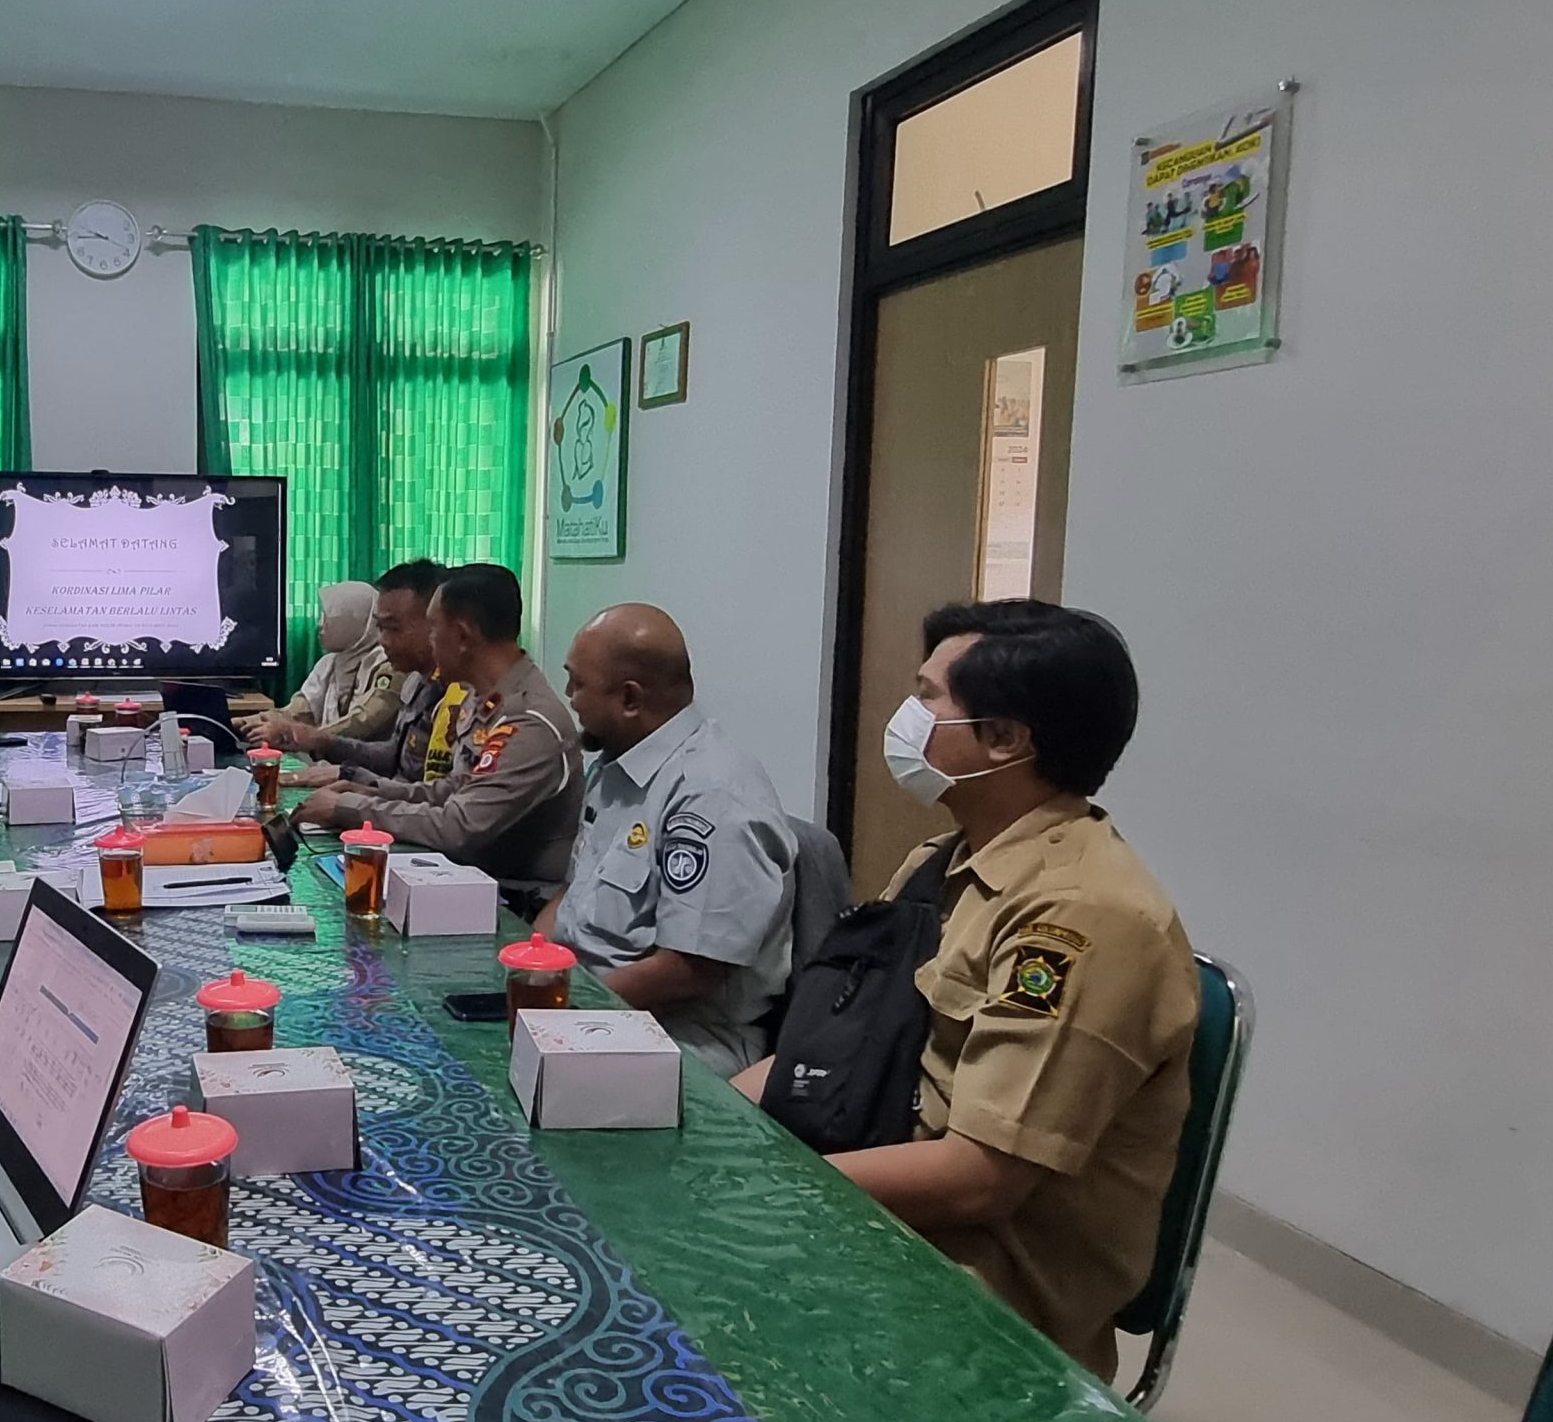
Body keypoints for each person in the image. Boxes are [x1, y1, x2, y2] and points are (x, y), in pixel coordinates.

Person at [735, 599, 1197, 1375]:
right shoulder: (940, 862)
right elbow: (836, 1048)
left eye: (929, 698)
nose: (908, 716)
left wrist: (758, 1188)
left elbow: (978, 1181)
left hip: (970, 1308)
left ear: (1006, 740)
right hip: (869, 1205)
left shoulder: (1082, 917)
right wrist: (698, 1120)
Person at [543, 604, 796, 1078]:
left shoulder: (713, 796)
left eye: (577, 682)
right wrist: (528, 965)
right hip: (589, 1005)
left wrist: (561, 1009)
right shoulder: (617, 765)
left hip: (680, 1036)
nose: (570, 696)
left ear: (630, 699)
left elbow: (690, 971)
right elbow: (571, 892)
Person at [297, 563, 584, 904]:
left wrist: (350, 807)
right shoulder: (483, 699)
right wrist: (371, 789)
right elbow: (456, 789)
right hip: (464, 880)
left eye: (433, 629)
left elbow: (458, 826)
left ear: (463, 635)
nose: (429, 642)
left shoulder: (528, 721)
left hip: (516, 902)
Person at [266, 560, 465, 788]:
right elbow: (396, 756)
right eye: (380, 627)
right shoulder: (418, 681)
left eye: (394, 628)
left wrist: (349, 779)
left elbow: (439, 800)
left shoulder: (465, 696)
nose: (383, 641)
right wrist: (322, 741)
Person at [241, 581, 401, 743]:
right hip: (328, 759)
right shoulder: (329, 664)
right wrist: (240, 724)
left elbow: (362, 722)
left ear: (353, 622)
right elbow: (297, 713)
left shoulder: (390, 664)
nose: (319, 625)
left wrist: (307, 738)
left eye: (327, 616)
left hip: (367, 765)